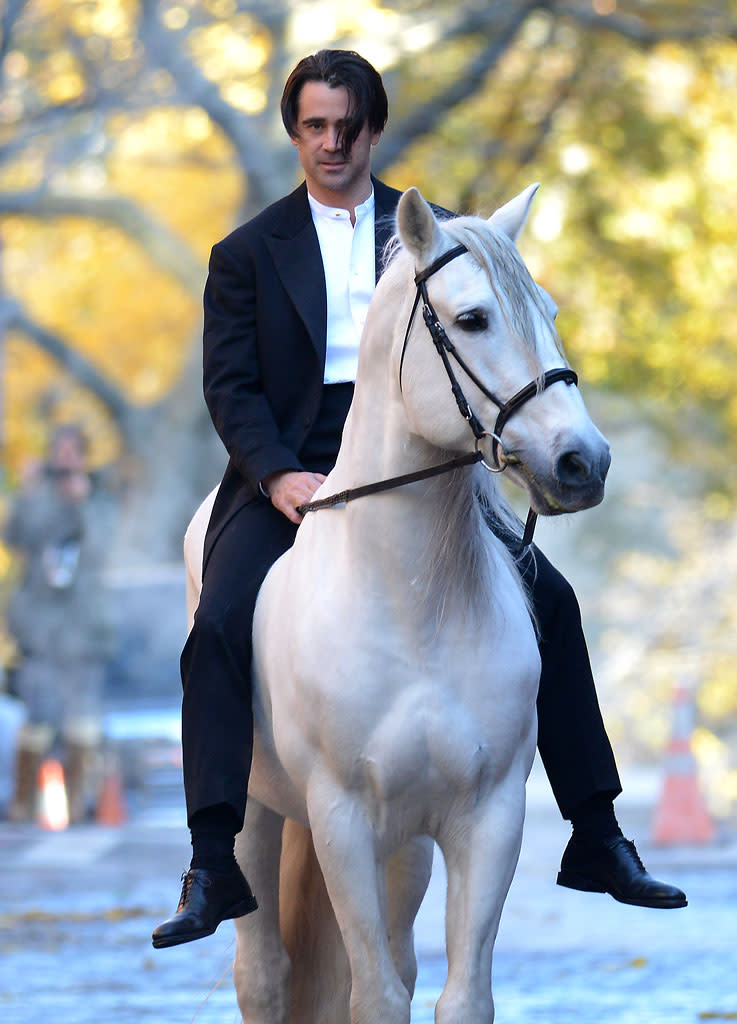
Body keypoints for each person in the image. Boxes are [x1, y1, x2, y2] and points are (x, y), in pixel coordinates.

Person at [152, 49, 686, 949]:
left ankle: (596, 834)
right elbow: (230, 385)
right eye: (315, 126)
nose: (332, 143)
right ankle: (212, 859)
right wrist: (277, 470)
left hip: (419, 456)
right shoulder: (244, 253)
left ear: (373, 129)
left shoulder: (437, 231)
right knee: (217, 627)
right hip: (291, 460)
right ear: (295, 132)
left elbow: (496, 349)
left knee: (552, 602)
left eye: (348, 126)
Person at [4, 423, 113, 823]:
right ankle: (23, 809)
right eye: (60, 451)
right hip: (40, 631)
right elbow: (14, 536)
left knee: (82, 721)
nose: (66, 460)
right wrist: (30, 492)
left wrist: (80, 502)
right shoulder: (37, 495)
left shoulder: (98, 496)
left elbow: (102, 544)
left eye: (73, 452)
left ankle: (79, 811)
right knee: (36, 720)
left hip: (84, 630)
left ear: (83, 456)